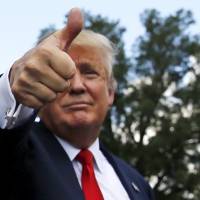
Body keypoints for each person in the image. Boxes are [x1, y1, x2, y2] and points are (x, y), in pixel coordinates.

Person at [0, 8, 154, 200]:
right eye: (63, 75)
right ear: (40, 83)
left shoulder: (138, 183)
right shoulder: (15, 151)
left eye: (90, 73)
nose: (77, 86)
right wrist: (12, 87)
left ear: (111, 93)